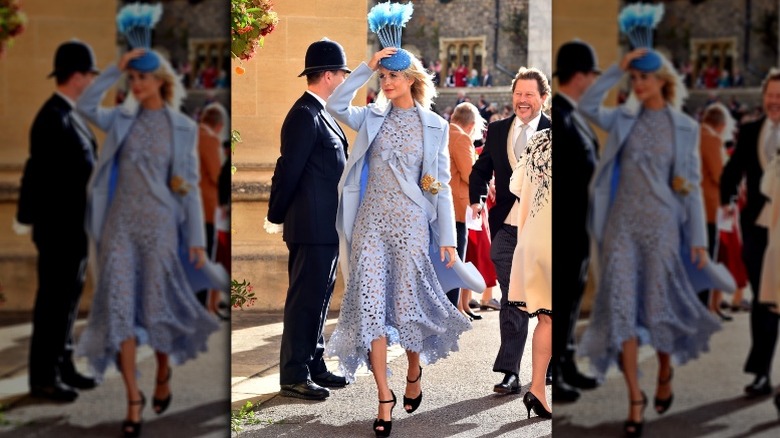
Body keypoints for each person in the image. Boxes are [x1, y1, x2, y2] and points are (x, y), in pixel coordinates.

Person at [325, 47, 473, 437]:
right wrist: (366, 66)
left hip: (409, 227)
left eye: (393, 77)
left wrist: (447, 238)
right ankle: (383, 398)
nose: (386, 83)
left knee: (407, 307)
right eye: (383, 77)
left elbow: (438, 187)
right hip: (369, 226)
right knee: (371, 306)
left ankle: (412, 369)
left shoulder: (435, 126)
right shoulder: (370, 117)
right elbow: (336, 102)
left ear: (411, 80)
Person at [74, 48, 221, 437]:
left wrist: (195, 240)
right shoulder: (120, 120)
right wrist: (114, 68)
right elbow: (86, 104)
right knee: (120, 308)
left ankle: (161, 372)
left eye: (142, 78)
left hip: (159, 231)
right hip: (118, 230)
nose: (136, 85)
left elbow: (187, 189)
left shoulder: (182, 128)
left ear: (161, 81)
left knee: (156, 310)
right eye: (132, 79)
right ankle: (133, 400)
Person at [577, 48, 721, 437]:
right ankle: (635, 400)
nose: (637, 84)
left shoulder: (684, 127)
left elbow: (689, 188)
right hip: (620, 228)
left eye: (644, 78)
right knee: (622, 307)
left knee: (657, 311)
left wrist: (699, 240)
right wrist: (615, 68)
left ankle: (663, 371)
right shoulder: (623, 119)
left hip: (662, 229)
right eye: (634, 78)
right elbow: (588, 104)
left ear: (663, 82)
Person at [14, 40, 100, 402]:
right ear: (77, 77)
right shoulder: (53, 117)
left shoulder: (70, 114)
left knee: (66, 303)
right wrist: (26, 217)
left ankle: (63, 365)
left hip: (74, 229)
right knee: (52, 305)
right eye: (90, 75)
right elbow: (38, 176)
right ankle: (43, 378)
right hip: (59, 230)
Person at [265, 38, 351, 400]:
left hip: (325, 227)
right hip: (311, 227)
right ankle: (294, 374)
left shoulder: (321, 113)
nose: (345, 79)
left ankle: (314, 364)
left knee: (319, 298)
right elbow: (289, 170)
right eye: (343, 74)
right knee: (305, 300)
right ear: (329, 75)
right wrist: (275, 215)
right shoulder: (304, 114)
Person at [469, 66, 551, 395]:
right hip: (507, 226)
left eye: (529, 94)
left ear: (543, 98)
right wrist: (476, 198)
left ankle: (545, 369)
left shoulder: (554, 131)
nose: (522, 100)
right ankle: (509, 372)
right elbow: (481, 169)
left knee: (545, 302)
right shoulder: (499, 129)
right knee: (512, 298)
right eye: (518, 94)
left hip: (544, 230)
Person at [720, 67, 780, 399]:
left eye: (779, 97)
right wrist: (728, 200)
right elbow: (733, 170)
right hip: (758, 232)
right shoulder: (751, 130)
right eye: (770, 96)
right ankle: (761, 374)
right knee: (763, 302)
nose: (775, 102)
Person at [550, 40, 601, 403]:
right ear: (580, 76)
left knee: (570, 301)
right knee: (563, 300)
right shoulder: (563, 118)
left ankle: (567, 365)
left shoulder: (574, 116)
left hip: (578, 230)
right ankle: (558, 371)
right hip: (565, 231)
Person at [508, 128, 552, 419]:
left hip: (533, 239)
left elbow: (515, 184)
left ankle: (537, 388)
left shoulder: (539, 138)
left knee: (547, 319)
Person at [446, 102, 486, 319]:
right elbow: (472, 175)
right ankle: (454, 311)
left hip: (443, 205)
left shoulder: (444, 131)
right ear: (471, 125)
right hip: (458, 207)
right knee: (456, 261)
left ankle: (456, 309)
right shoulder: (460, 137)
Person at [697, 102, 730, 320]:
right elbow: (721, 176)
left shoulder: (693, 133)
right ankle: (701, 311)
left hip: (691, 206)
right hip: (706, 208)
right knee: (705, 260)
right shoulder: (710, 138)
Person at [195, 103, 225, 306]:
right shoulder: (208, 139)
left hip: (189, 205)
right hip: (205, 208)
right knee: (203, 256)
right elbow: (217, 175)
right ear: (219, 125)